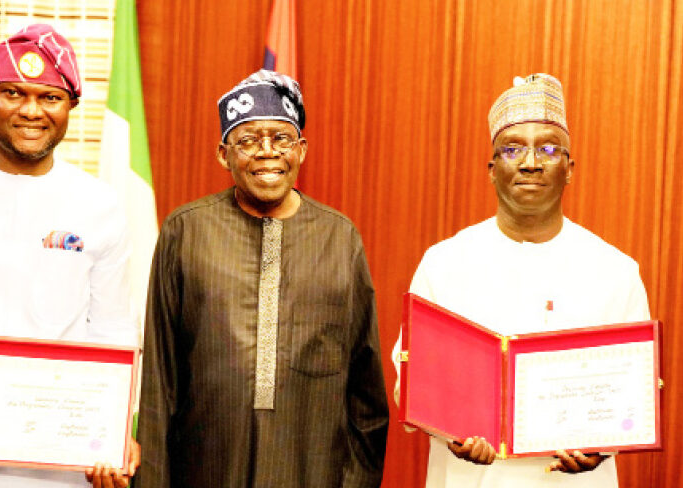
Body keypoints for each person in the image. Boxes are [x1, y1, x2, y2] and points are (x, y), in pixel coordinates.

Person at [392, 73, 650, 488]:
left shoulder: (615, 271)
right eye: (512, 149)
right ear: (492, 169)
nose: (531, 162)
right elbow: (411, 382)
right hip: (470, 478)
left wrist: (602, 447)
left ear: (569, 168)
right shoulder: (444, 263)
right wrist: (449, 430)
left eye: (549, 148)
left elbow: (633, 393)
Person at [136, 70, 389, 488]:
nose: (267, 153)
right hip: (206, 468)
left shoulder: (339, 237)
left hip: (312, 468)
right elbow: (160, 378)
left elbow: (366, 389)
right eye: (249, 141)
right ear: (223, 154)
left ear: (301, 150)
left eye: (281, 139)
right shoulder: (186, 231)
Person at [0, 24, 140, 488]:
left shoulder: (100, 205)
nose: (31, 111)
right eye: (12, 92)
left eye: (50, 97)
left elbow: (111, 330)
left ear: (70, 106)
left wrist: (112, 435)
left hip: (58, 458)